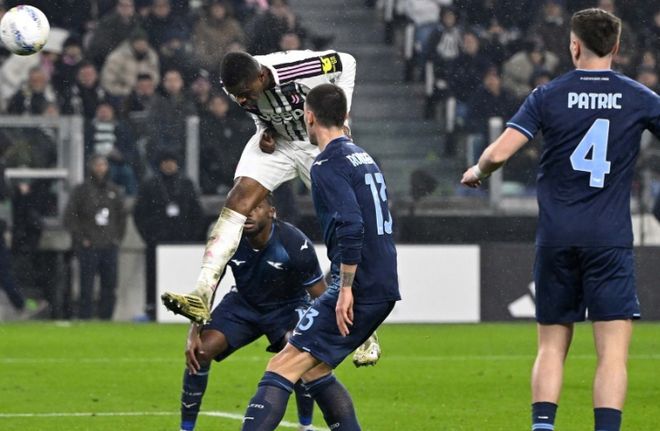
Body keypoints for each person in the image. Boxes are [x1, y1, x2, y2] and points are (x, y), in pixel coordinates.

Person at [461, 8, 660, 431]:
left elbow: (499, 152)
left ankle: (543, 427)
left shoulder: (547, 95)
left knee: (551, 348)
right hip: (608, 238)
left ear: (573, 45)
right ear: (617, 47)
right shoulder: (639, 96)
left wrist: (478, 171)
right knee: (612, 355)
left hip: (557, 237)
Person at [239, 83, 400, 430]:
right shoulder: (363, 157)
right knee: (313, 370)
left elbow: (351, 225)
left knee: (281, 366)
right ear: (345, 116)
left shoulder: (326, 164)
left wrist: (346, 288)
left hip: (360, 285)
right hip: (382, 281)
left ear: (309, 117)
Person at [160, 48, 356, 324]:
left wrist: (340, 119)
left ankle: (362, 329)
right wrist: (264, 129)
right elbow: (258, 110)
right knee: (236, 202)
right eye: (235, 95)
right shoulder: (235, 85)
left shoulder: (294, 68)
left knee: (345, 220)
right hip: (280, 144)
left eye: (245, 93)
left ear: (262, 76)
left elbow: (346, 61)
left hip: (316, 144)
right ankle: (202, 293)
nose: (240, 99)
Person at [179, 195, 325, 431]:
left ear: (271, 212)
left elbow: (321, 295)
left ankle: (305, 426)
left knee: (298, 350)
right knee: (201, 351)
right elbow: (208, 286)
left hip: (287, 306)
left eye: (257, 207)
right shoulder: (228, 239)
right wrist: (193, 332)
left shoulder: (294, 242)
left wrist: (327, 334)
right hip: (243, 304)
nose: (249, 212)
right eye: (245, 206)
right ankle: (186, 428)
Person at [133, 150, 203, 320]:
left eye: (172, 161)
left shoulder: (186, 184)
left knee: (182, 275)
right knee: (154, 276)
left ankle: (184, 307)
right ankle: (153, 307)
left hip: (182, 242)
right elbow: (139, 214)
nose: (169, 165)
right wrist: (149, 236)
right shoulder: (150, 185)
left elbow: (196, 213)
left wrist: (191, 236)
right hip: (157, 241)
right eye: (165, 162)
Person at [64, 155, 127, 319]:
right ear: (91, 167)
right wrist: (81, 238)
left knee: (110, 284)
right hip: (88, 245)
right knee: (86, 285)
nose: (100, 168)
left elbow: (122, 217)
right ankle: (85, 316)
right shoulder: (81, 191)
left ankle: (106, 317)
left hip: (109, 245)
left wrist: (117, 239)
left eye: (103, 165)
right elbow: (70, 217)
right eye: (97, 165)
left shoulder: (114, 190)